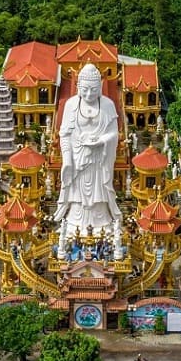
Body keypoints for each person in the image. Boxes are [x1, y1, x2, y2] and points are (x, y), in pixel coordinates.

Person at [54, 63, 121, 236]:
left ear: (99, 87)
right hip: (78, 159)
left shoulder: (107, 104)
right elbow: (64, 134)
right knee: (77, 196)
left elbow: (114, 133)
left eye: (93, 89)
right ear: (78, 87)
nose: (89, 94)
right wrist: (67, 161)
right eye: (85, 89)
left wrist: (101, 141)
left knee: (99, 192)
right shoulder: (71, 104)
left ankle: (101, 220)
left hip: (100, 159)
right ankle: (75, 220)